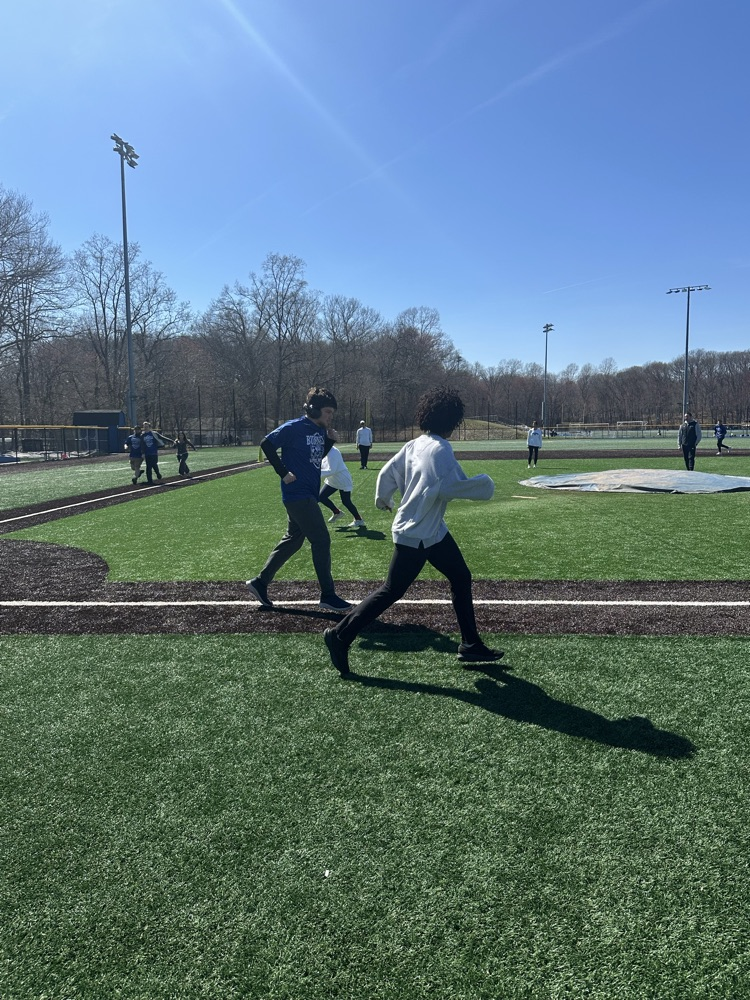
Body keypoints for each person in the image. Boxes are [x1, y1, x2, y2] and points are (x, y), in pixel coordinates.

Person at [323, 385, 504, 677]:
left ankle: (471, 643)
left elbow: (388, 472)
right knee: (391, 590)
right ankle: (340, 635)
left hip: (430, 530)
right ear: (452, 420)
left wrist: (384, 498)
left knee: (460, 576)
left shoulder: (415, 443)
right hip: (418, 533)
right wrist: (485, 485)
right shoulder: (441, 449)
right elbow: (450, 486)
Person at [246, 387, 352, 612]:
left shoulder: (321, 430)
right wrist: (283, 473)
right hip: (297, 495)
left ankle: (260, 582)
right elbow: (266, 444)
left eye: (332, 412)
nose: (330, 416)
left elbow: (315, 457)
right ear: (313, 409)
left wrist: (330, 442)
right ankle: (328, 595)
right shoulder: (293, 427)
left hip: (307, 494)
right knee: (321, 540)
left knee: (293, 540)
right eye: (327, 412)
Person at [319, 445, 366, 528]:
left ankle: (359, 520)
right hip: (332, 480)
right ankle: (337, 512)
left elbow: (331, 470)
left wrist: (315, 474)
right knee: (321, 497)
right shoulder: (324, 450)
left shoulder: (333, 452)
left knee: (346, 501)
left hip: (342, 479)